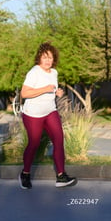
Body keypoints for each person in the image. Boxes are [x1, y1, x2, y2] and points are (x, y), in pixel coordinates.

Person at [19, 42, 77, 189]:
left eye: (50, 57)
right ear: (39, 58)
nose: (48, 60)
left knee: (58, 139)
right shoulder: (34, 72)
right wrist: (45, 89)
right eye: (45, 57)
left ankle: (61, 176)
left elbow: (52, 89)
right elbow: (24, 93)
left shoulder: (54, 73)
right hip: (33, 114)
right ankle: (25, 173)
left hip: (50, 110)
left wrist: (57, 92)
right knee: (34, 143)